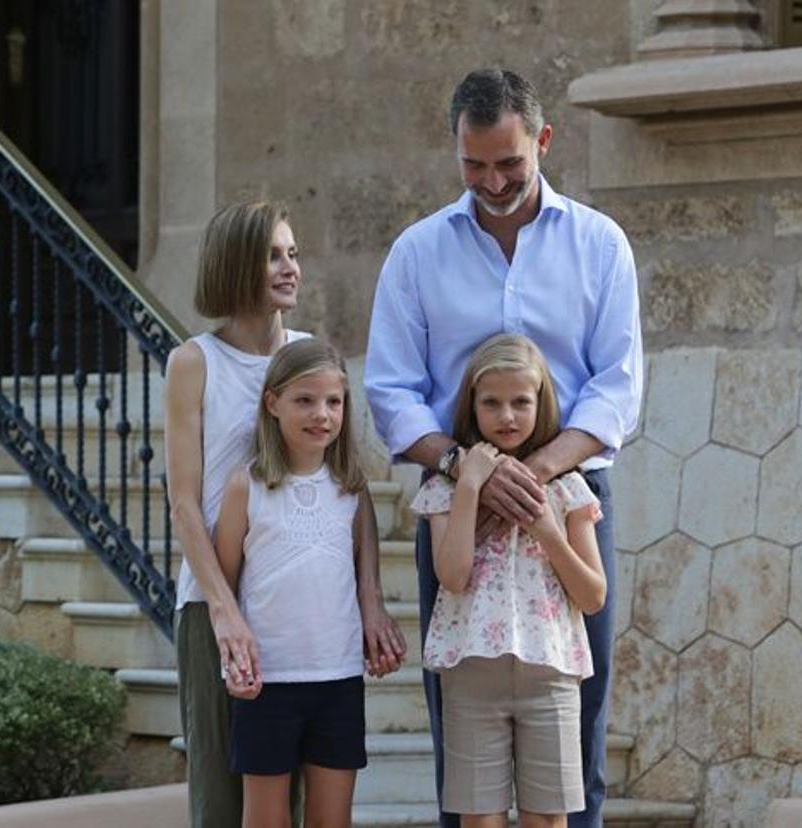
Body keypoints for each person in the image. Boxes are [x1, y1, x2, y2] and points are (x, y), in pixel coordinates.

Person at [363, 68, 643, 828]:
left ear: (542, 142)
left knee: (581, 708)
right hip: (459, 497)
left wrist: (539, 477)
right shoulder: (417, 253)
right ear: (455, 150)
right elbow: (390, 390)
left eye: (509, 163)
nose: (491, 180)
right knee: (456, 716)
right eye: (474, 164)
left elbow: (617, 387)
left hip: (572, 495)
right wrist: (467, 472)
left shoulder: (599, 244)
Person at [165, 201, 406, 828]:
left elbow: (350, 492)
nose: (290, 266)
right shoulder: (194, 362)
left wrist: (370, 597)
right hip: (216, 602)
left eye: (294, 253)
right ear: (236, 261)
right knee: (224, 801)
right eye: (274, 253)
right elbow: (185, 501)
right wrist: (224, 613)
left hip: (306, 622)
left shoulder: (309, 359)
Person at [412, 334, 607, 828]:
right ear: (471, 406)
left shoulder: (568, 489)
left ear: (540, 403)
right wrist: (471, 485)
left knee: (547, 819)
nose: (507, 416)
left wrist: (548, 530)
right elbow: (452, 577)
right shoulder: (444, 490)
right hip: (472, 674)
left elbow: (592, 595)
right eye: (492, 403)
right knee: (479, 820)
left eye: (521, 402)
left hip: (551, 674)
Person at [214, 337, 390, 828]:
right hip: (267, 683)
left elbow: (364, 579)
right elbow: (223, 587)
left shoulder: (351, 489)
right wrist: (232, 661)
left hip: (338, 678)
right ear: (273, 403)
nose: (322, 414)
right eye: (305, 400)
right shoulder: (244, 486)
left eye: (334, 402)